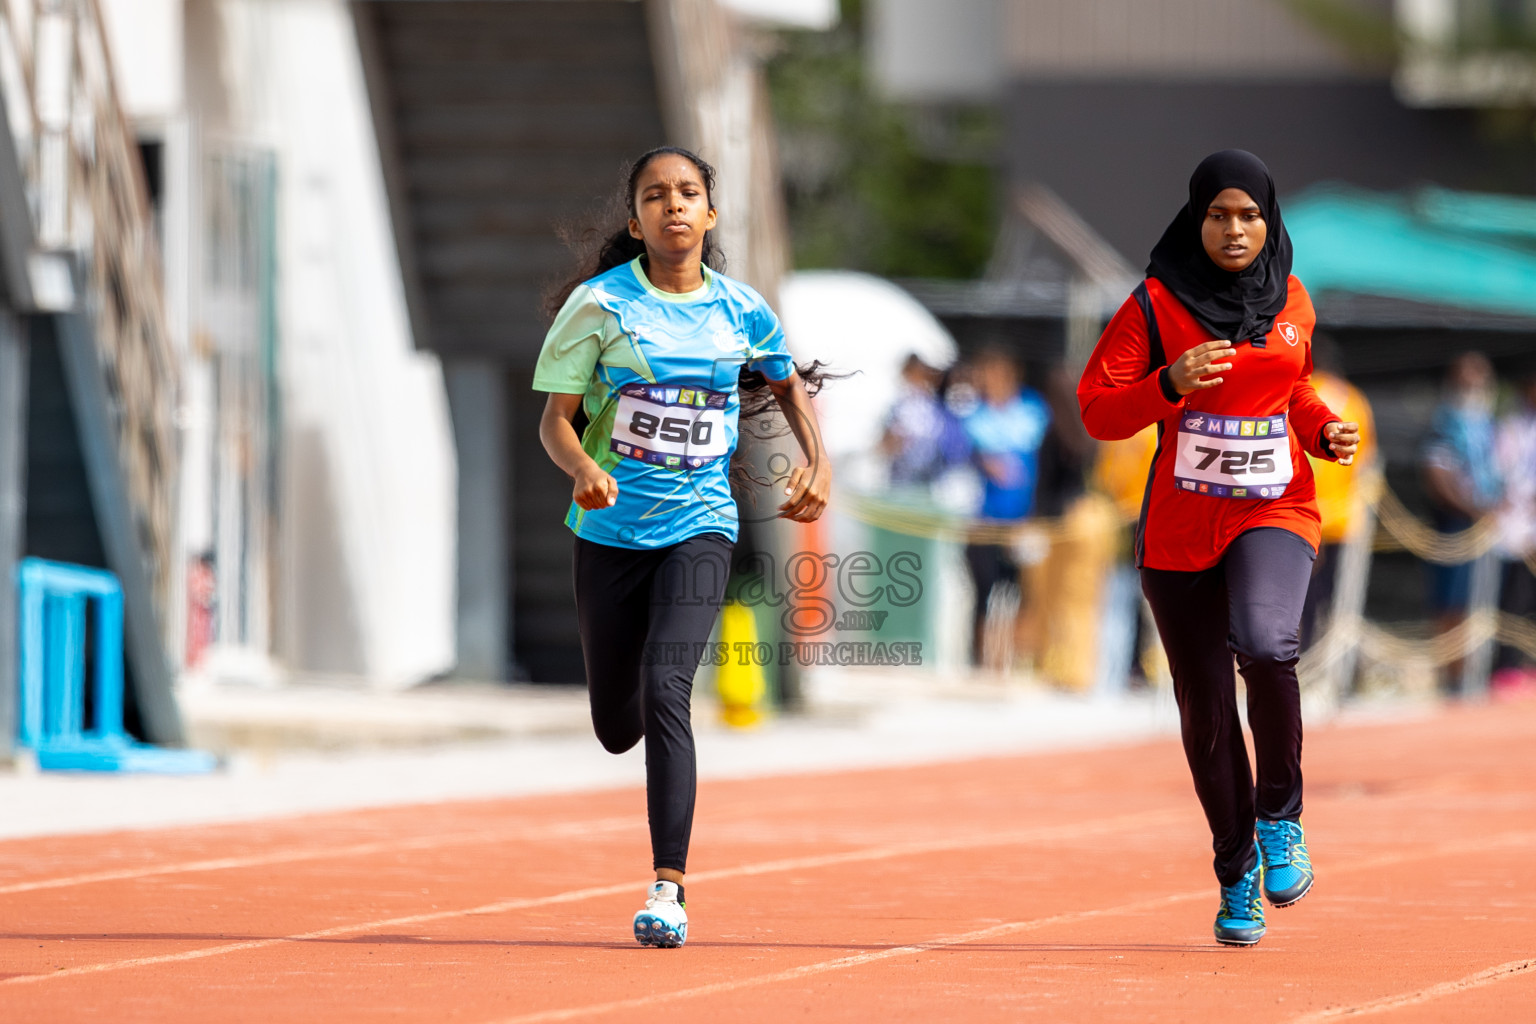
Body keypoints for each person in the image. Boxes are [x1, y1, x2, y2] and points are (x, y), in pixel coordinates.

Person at [534, 146, 830, 948]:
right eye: (656, 196)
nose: (674, 206)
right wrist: (587, 467)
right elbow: (555, 422)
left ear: (710, 213)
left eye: (688, 193)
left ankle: (669, 887)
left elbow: (784, 381)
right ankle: (624, 707)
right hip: (608, 533)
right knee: (615, 724)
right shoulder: (600, 307)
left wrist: (816, 461)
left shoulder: (741, 309)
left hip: (701, 524)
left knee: (670, 687)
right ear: (636, 222)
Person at [1077, 150, 1359, 947]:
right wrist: (1170, 383)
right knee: (1205, 710)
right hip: (1180, 530)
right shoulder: (1155, 304)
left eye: (1248, 216)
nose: (1234, 230)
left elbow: (1292, 387)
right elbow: (1098, 410)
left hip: (1276, 507)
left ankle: (1281, 819)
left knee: (1269, 646)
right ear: (1195, 219)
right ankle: (1234, 869)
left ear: (1269, 223)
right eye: (1218, 215)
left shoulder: (1292, 296)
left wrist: (1320, 428)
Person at [960, 347, 1051, 667]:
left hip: (1022, 520)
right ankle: (981, 660)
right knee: (983, 594)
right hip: (982, 519)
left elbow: (1044, 461)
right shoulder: (973, 414)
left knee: (1020, 593)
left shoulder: (1033, 411)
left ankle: (1012, 661)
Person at [1420, 352, 1501, 694]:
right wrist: (1471, 508)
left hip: (1484, 524)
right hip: (1455, 524)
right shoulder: (1446, 419)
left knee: (1479, 601)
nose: (1475, 385)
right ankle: (1451, 676)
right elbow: (1437, 472)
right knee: (1451, 602)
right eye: (1469, 379)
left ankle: (1475, 670)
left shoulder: (1488, 420)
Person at [1300, 334, 1377, 650]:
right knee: (1331, 595)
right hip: (1344, 516)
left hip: (1304, 513)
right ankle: (1324, 655)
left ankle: (1301, 654)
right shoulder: (1356, 400)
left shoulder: (1304, 394)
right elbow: (1367, 461)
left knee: (1300, 593)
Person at [1493, 371, 1536, 685]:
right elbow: (1503, 472)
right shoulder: (1510, 426)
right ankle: (1505, 666)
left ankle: (1524, 662)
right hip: (1515, 524)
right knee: (1514, 597)